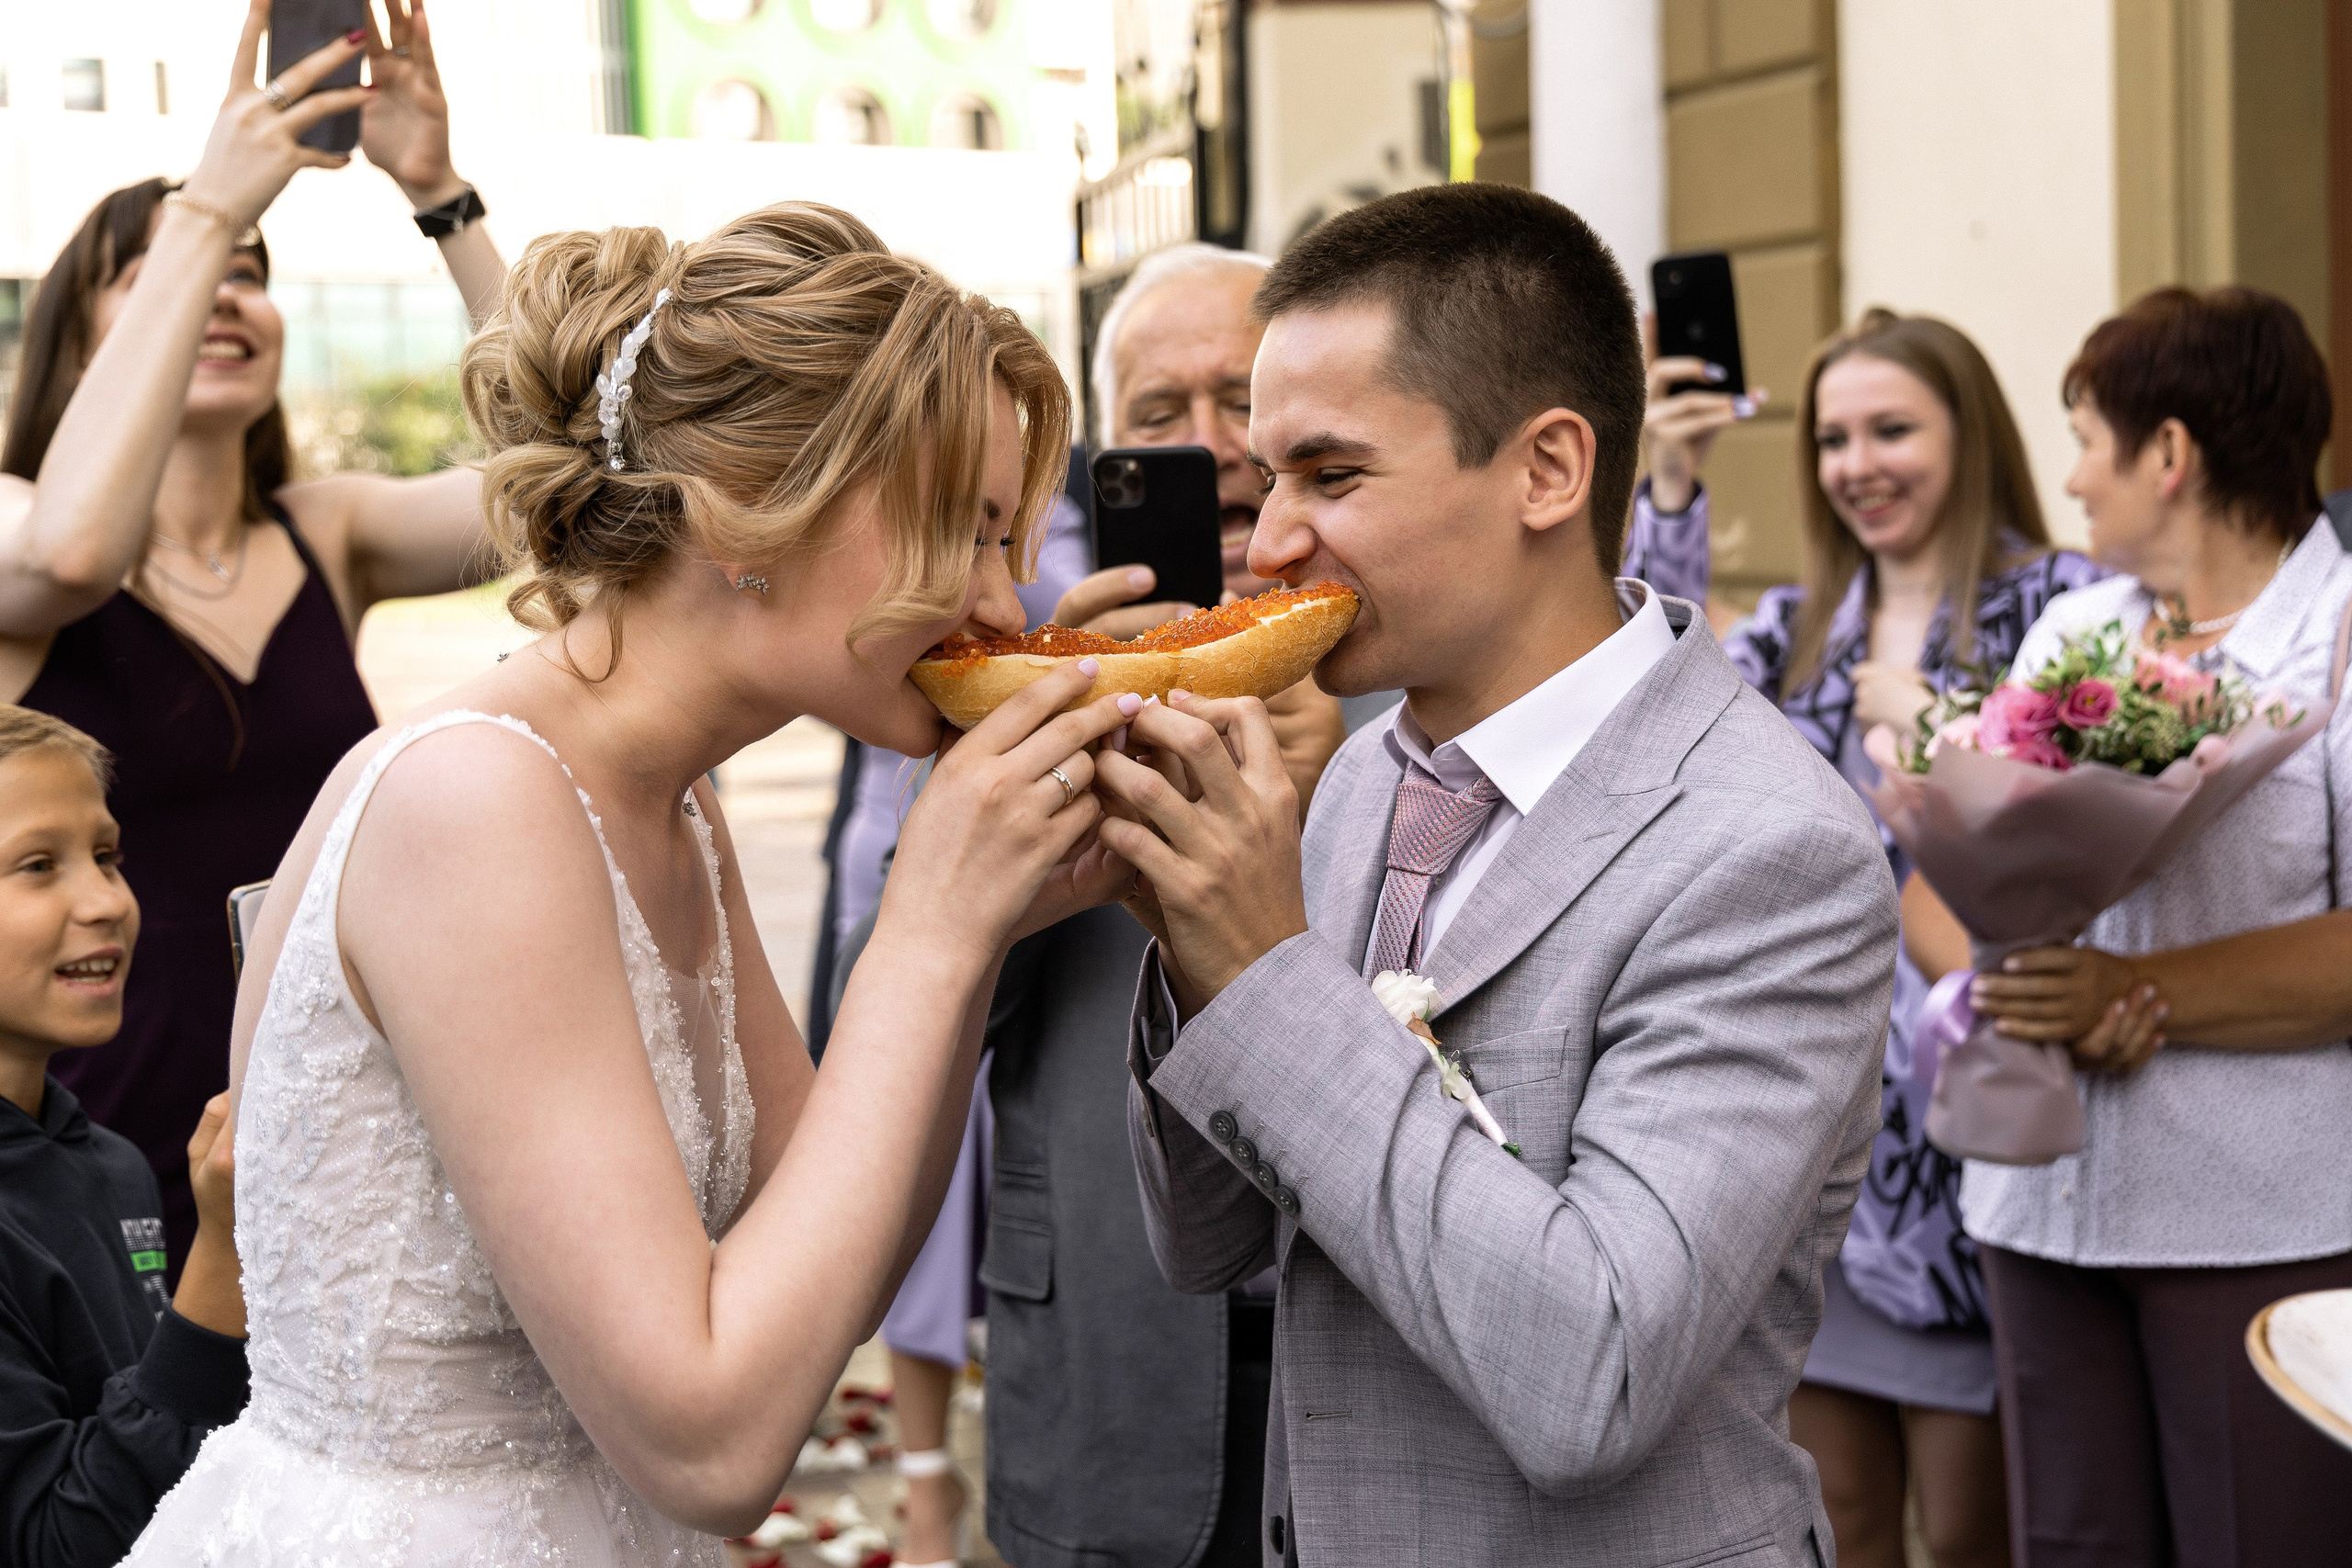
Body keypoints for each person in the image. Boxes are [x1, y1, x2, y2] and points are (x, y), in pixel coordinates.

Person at [120, 198, 1136, 1564]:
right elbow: (713, 1441)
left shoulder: (672, 798)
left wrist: (985, 925)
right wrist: (931, 928)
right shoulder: (480, 802)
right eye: (962, 529)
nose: (1005, 606)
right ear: (747, 509)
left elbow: (826, 1264)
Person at [1098, 183, 1897, 1566]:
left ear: (1547, 469)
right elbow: (1213, 1243)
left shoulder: (1771, 850)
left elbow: (1594, 1372)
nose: (1272, 536)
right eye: (1272, 476)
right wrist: (1187, 944)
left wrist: (1274, 975)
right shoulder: (1357, 778)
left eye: (1331, 476)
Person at [0, 0, 506, 1276]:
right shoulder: (19, 530)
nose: (228, 292)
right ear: (77, 338)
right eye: (161, 272)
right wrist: (206, 210)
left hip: (334, 1129)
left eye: (252, 277)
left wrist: (441, 195)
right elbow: (71, 551)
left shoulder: (331, 532)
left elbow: (577, 485)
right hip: (99, 1156)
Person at [1634, 308, 2106, 1568]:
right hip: (1812, 1130)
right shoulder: (1795, 622)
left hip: (1981, 1119)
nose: (1860, 462)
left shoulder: (2065, 605)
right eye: (1835, 437)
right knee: (1837, 1514)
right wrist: (1670, 485)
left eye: (1893, 428)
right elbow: (1645, 694)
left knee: (1974, 1525)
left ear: (1971, 431)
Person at [1959, 287, 2352, 1565]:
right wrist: (2016, 972)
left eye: (2086, 438)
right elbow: (1968, 860)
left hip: (2256, 1210)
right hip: (2039, 1196)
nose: (2071, 479)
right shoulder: (2080, 628)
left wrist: (2141, 992)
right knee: (2069, 1541)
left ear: (2170, 454)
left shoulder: (2338, 641)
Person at [975, 243, 1346, 1568]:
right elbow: (894, 1014)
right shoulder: (1020, 672)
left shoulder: (1392, 671)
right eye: (1157, 419)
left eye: (1243, 399)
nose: (1215, 449)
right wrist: (1040, 755)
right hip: (1106, 1358)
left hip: (1370, 1364)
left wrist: (1311, 803)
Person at [0, 705, 250, 1565]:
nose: (107, 900)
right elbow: (58, 1541)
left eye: (107, 856)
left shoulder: (109, 1162)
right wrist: (223, 1253)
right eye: (39, 866)